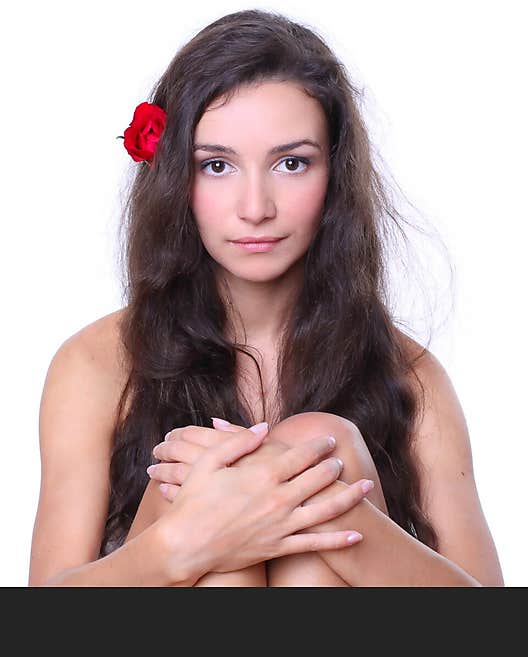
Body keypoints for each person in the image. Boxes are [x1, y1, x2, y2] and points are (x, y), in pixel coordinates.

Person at [28, 9, 503, 586]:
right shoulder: (96, 364)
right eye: (218, 165)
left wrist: (328, 507)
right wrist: (185, 544)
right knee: (199, 483)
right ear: (176, 175)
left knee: (316, 448)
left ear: (335, 174)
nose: (256, 206)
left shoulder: (412, 377)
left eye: (291, 162)